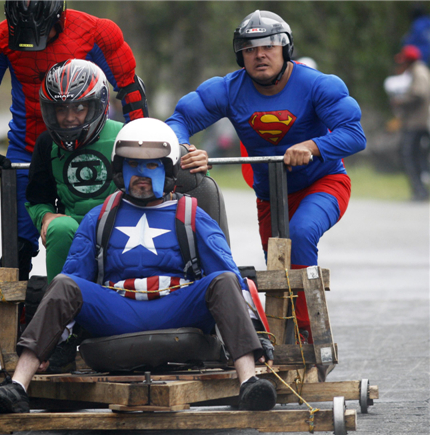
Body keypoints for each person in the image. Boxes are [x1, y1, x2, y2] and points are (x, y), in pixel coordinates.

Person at [0, 118, 277, 413]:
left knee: (223, 279)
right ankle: (17, 387)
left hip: (177, 306)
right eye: (133, 165)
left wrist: (256, 331)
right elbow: (71, 281)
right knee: (64, 284)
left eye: (151, 165)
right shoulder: (100, 216)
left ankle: (249, 382)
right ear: (120, 170)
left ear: (169, 169)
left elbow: (230, 276)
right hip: (117, 310)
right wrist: (55, 337)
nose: (141, 174)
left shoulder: (191, 213)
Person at [166, 10, 366, 340]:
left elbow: (355, 134)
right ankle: (279, 341)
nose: (260, 54)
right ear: (240, 56)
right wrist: (186, 149)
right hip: (271, 195)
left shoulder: (318, 84)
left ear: (285, 49)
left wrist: (313, 146)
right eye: (249, 48)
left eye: (269, 46)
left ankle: (309, 336)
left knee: (299, 235)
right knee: (278, 268)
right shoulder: (227, 89)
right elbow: (179, 119)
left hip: (324, 183)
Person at [26, 59, 211, 372]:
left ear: (97, 106)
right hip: (76, 231)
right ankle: (62, 337)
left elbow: (166, 163)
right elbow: (36, 196)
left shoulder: (128, 135)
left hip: (125, 219)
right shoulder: (46, 144)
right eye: (61, 111)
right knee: (61, 229)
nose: (69, 119)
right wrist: (45, 216)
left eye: (78, 109)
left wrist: (197, 157)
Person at [0, 0, 149, 279]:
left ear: (58, 17)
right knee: (18, 245)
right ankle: (27, 317)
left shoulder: (96, 32)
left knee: (113, 223)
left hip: (89, 143)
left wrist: (141, 144)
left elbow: (128, 86)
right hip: (28, 147)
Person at [388, 45, 430, 201]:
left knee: (410, 155)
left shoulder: (419, 72)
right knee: (415, 156)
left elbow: (419, 94)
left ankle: (420, 191)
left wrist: (400, 101)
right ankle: (419, 190)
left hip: (416, 123)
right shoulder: (418, 71)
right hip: (415, 123)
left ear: (409, 61)